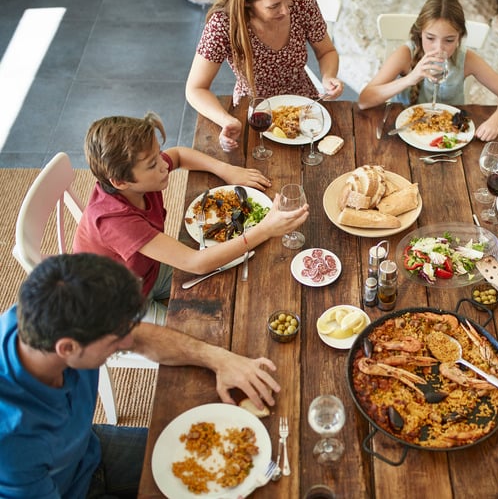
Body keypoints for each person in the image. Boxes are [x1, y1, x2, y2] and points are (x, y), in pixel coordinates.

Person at [0, 253, 282, 497]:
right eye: (116, 339)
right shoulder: (13, 440)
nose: (128, 342)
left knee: (237, 465)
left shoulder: (47, 312)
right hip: (60, 489)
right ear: (67, 348)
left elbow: (141, 337)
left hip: (87, 448)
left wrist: (218, 358)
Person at [73, 112, 309, 324]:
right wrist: (265, 230)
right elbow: (195, 263)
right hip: (117, 306)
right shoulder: (113, 220)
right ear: (120, 182)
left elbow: (178, 154)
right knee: (197, 334)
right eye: (153, 163)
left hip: (146, 271)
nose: (163, 165)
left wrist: (225, 170)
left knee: (231, 283)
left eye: (158, 154)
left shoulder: (136, 178)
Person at [186, 0, 344, 151]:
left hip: (304, 106)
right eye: (274, 5)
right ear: (247, 2)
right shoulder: (224, 24)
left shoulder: (302, 2)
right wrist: (226, 120)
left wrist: (328, 77)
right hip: (252, 111)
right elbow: (195, 89)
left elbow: (327, 52)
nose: (286, 10)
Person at [357, 0, 498, 142]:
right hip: (406, 134)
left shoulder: (467, 59)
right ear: (420, 33)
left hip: (448, 135)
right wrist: (409, 79)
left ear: (459, 38)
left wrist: (495, 121)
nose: (439, 48)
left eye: (448, 40)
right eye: (430, 38)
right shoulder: (405, 54)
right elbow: (364, 100)